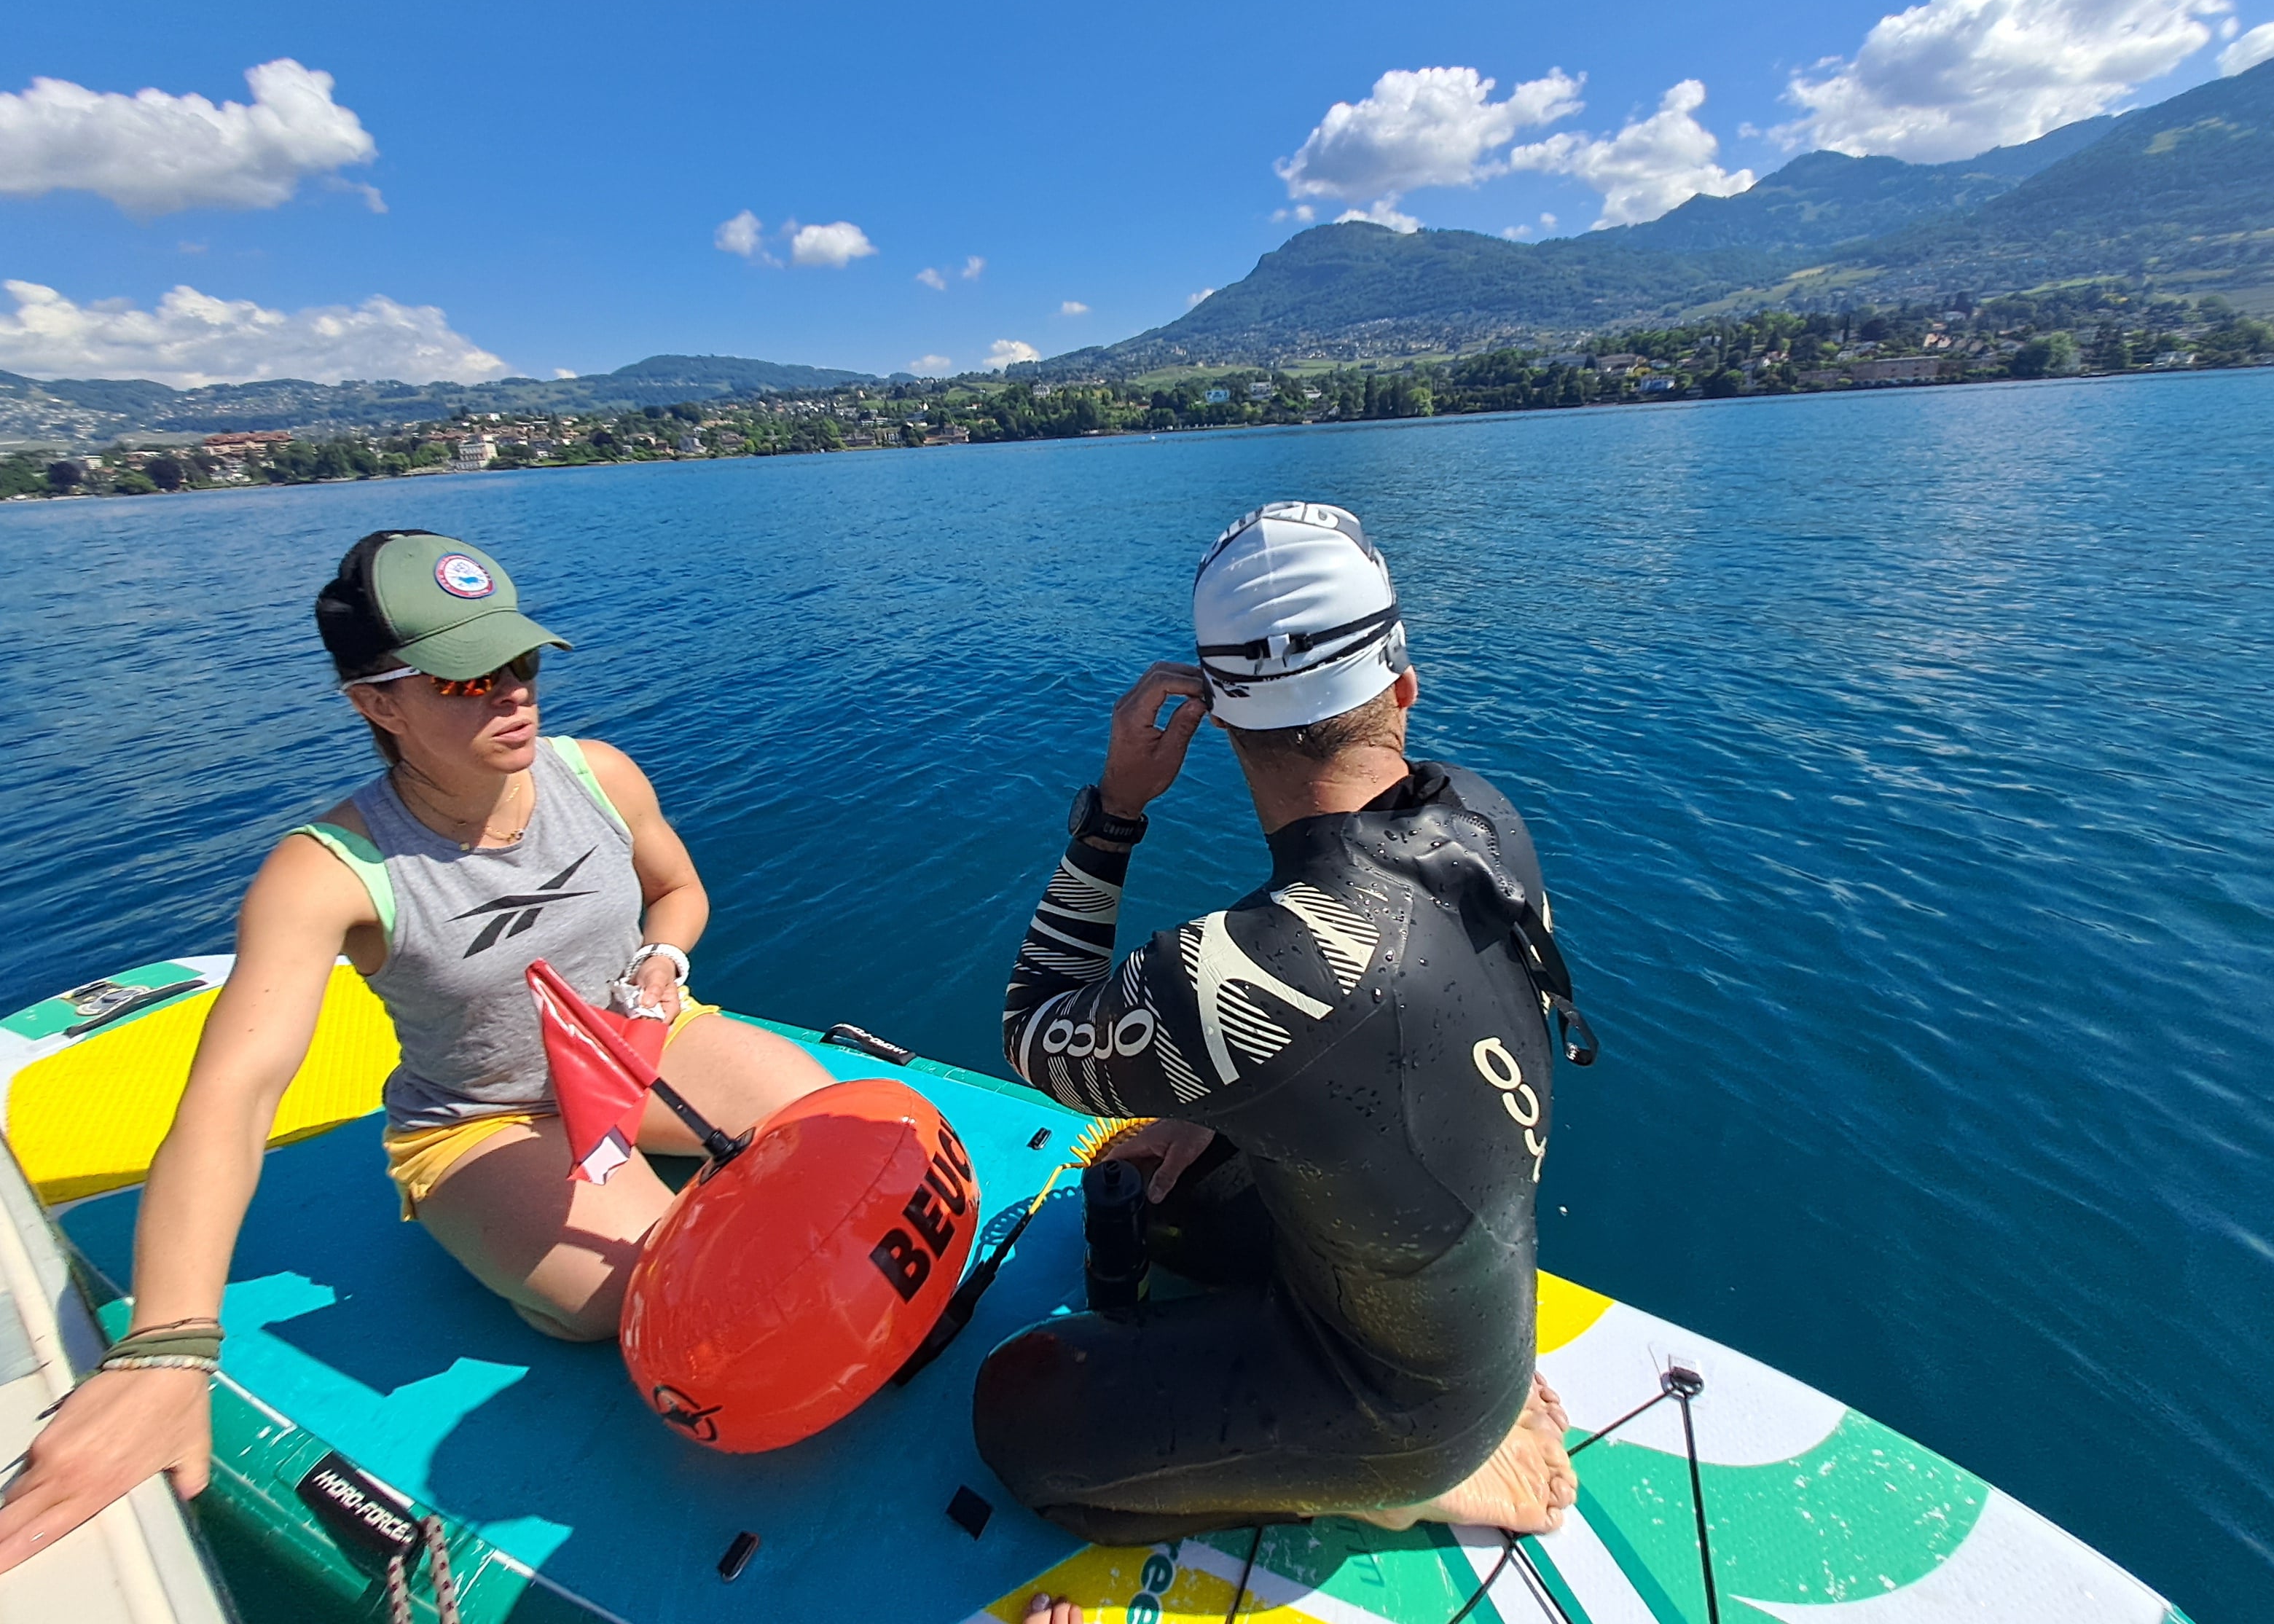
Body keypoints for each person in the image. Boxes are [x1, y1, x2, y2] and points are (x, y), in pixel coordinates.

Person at [0, 530, 831, 1573]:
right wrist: (168, 1345)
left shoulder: (599, 774)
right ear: (375, 703)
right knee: (641, 1297)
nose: (514, 698)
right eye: (469, 679)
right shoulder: (327, 871)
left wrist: (662, 959)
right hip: (482, 1117)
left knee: (827, 1134)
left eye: (521, 664)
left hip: (638, 1044)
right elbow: (233, 1096)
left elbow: (680, 890)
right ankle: (519, 1248)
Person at [976, 501, 1587, 1550]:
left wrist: (1115, 813)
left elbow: (1032, 1026)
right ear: (1402, 687)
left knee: (1014, 1410)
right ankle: (1456, 1406)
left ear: (1217, 722)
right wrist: (1220, 1114)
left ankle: (1407, 1482)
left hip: (1404, 1407)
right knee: (1142, 1179)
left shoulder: (1235, 980)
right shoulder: (1483, 816)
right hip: (1466, 1311)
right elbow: (1385, 1041)